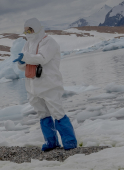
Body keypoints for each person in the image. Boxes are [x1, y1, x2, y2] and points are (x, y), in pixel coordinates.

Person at [14, 18, 77, 151]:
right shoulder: (27, 44)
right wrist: (20, 62)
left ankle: (70, 142)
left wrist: (24, 57)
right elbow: (23, 67)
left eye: (30, 29)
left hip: (49, 84)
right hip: (33, 86)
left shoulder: (48, 41)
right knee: (42, 114)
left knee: (57, 112)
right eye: (25, 30)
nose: (27, 33)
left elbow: (42, 58)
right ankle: (51, 142)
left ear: (36, 28)